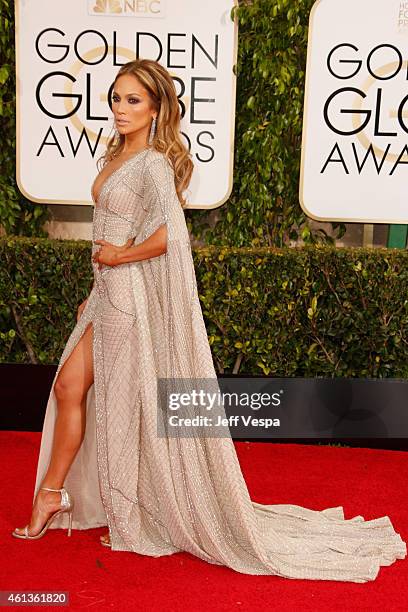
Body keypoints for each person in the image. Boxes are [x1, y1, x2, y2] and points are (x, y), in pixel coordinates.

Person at [12, 59, 407, 582]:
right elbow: (112, 234)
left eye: (133, 100)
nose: (121, 109)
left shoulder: (153, 164)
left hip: (128, 299)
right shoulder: (114, 154)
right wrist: (95, 286)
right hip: (105, 294)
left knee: (114, 402)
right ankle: (55, 494)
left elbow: (169, 238)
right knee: (69, 387)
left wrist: (118, 260)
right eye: (115, 98)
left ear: (156, 107)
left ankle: (118, 510)